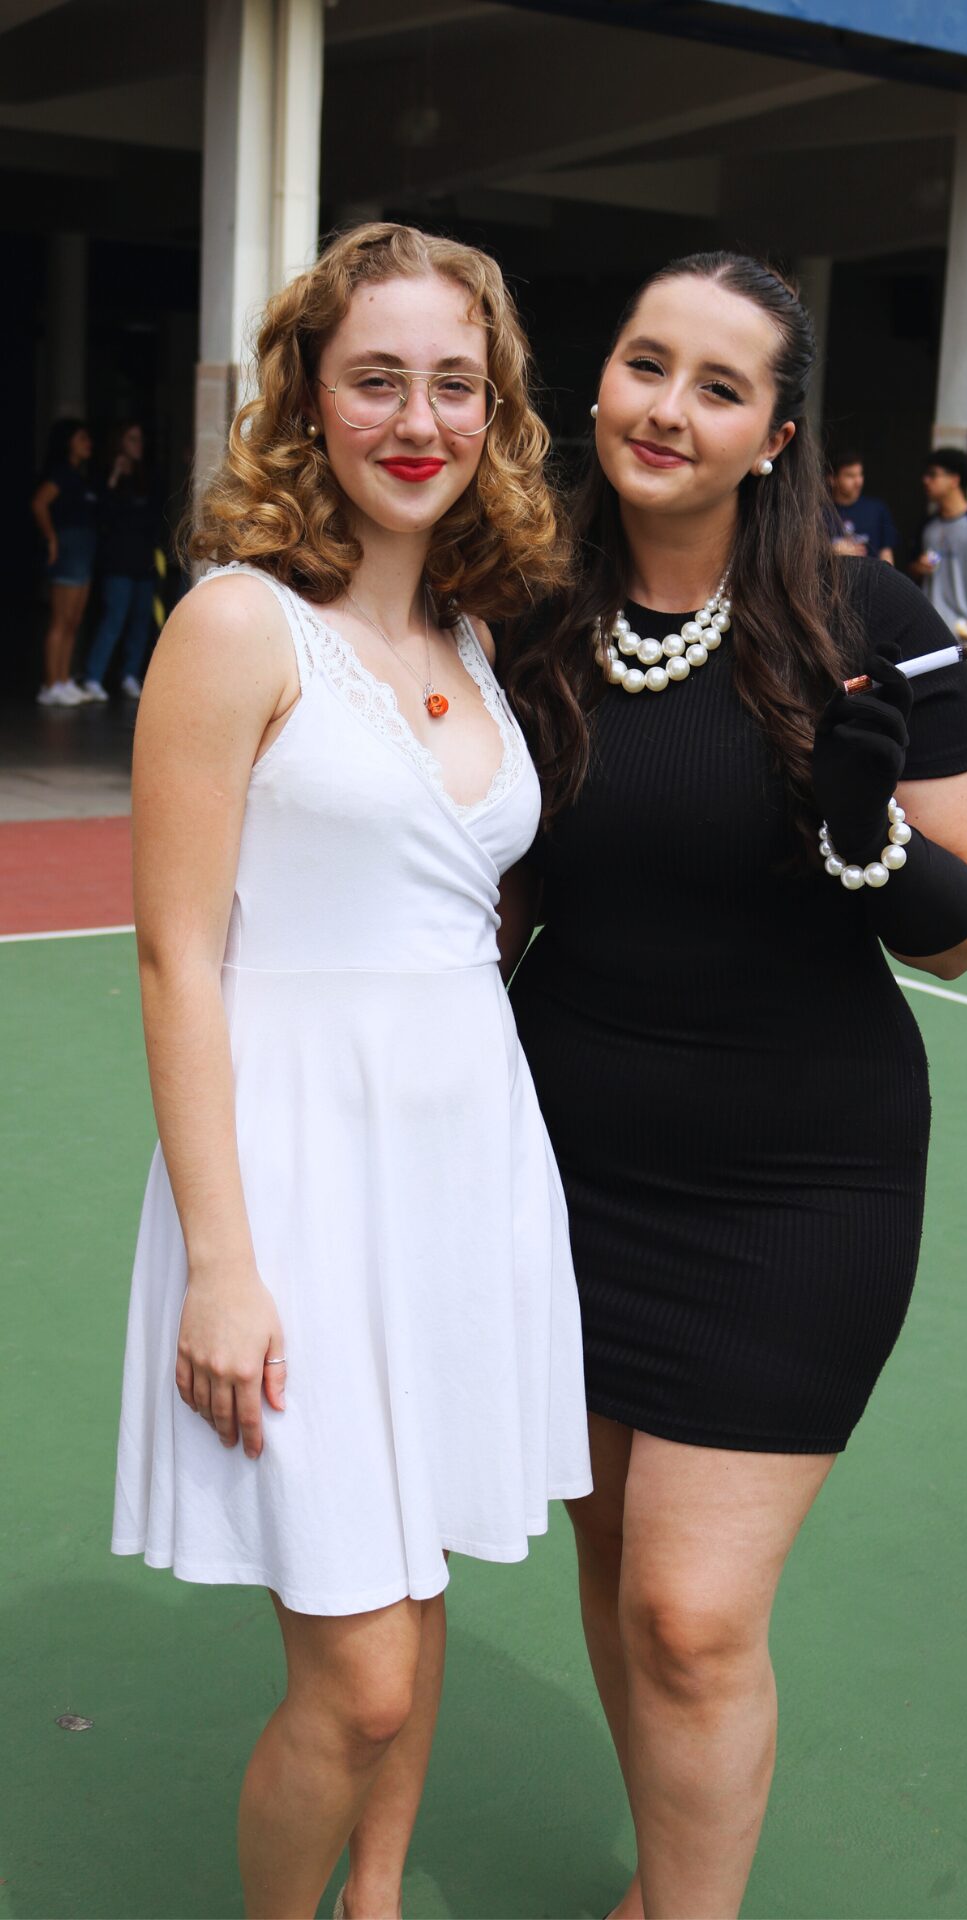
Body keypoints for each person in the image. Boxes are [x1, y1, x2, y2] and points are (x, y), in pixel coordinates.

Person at [501, 251, 967, 1920]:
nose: (670, 409)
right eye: (648, 364)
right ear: (599, 381)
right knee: (612, 1562)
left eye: (721, 387)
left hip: (800, 1184)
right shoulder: (526, 611)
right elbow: (492, 902)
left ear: (777, 435)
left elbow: (965, 935)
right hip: (565, 1165)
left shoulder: (877, 626)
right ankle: (665, 1878)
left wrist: (870, 838)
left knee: (694, 1615)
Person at [111, 221, 591, 1920]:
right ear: (308, 399)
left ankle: (374, 1900)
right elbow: (176, 957)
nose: (418, 419)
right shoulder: (237, 625)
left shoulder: (475, 640)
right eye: (376, 378)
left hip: (464, 1178)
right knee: (359, 1678)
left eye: (455, 383)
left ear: (495, 410)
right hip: (294, 1186)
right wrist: (221, 1265)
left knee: (421, 1573)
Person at [82, 421, 161, 701]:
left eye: (140, 439)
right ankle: (93, 677)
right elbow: (101, 515)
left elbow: (154, 516)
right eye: (132, 439)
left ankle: (130, 675)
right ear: (120, 443)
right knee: (113, 619)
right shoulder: (106, 475)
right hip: (117, 562)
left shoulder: (146, 476)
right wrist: (114, 476)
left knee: (141, 622)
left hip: (143, 560)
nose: (138, 445)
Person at [912, 447, 967, 702]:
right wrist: (919, 567)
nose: (925, 481)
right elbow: (913, 571)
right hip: (930, 629)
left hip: (965, 632)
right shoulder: (927, 525)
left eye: (933, 475)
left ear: (954, 480)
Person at [29, 416, 98, 705]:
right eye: (82, 438)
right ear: (68, 442)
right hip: (69, 549)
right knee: (60, 619)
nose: (88, 443)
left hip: (83, 549)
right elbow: (39, 503)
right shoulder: (61, 473)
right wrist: (51, 538)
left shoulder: (78, 475)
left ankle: (63, 679)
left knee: (73, 620)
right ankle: (50, 685)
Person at [826, 447, 898, 562]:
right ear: (832, 479)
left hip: (872, 573)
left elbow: (886, 555)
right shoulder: (818, 513)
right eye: (850, 476)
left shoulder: (877, 509)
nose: (858, 482)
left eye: (860, 474)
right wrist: (829, 550)